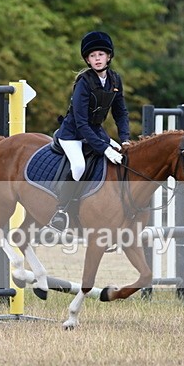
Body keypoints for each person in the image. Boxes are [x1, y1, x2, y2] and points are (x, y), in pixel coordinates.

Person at [48, 30, 131, 233]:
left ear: (109, 56)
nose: (97, 59)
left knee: (120, 155)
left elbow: (121, 113)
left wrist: (125, 139)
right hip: (72, 133)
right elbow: (81, 122)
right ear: (88, 59)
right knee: (78, 166)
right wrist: (104, 147)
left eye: (101, 54)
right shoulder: (84, 83)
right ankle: (60, 212)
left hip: (94, 132)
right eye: (92, 56)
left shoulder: (115, 80)